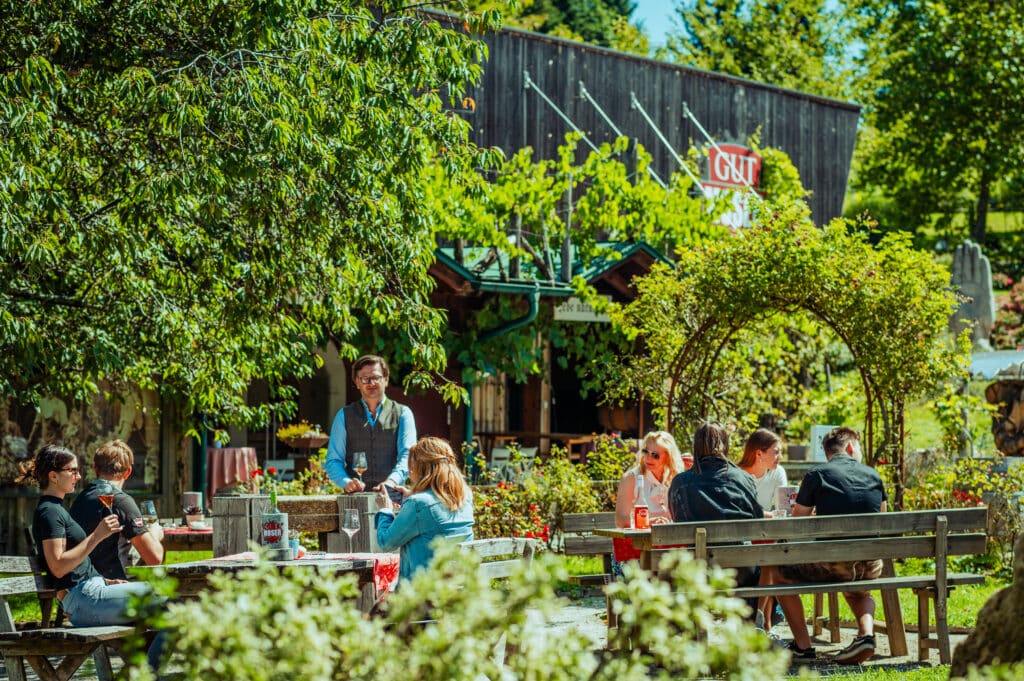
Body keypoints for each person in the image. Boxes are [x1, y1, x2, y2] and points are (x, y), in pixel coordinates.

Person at [17, 445, 165, 668]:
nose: (78, 476)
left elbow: (74, 565)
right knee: (174, 605)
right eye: (72, 471)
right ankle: (148, 675)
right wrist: (97, 535)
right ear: (53, 476)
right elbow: (58, 566)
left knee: (169, 610)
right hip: (85, 600)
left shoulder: (59, 508)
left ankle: (144, 671)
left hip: (90, 593)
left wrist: (107, 581)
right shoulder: (49, 512)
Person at [760, 426, 888, 664]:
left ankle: (803, 647)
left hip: (833, 565)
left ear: (828, 452)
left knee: (777, 572)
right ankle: (866, 636)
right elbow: (883, 519)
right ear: (850, 448)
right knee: (859, 586)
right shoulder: (873, 475)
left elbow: (798, 524)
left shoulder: (817, 474)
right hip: (870, 565)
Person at [668, 423, 763, 600]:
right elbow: (758, 520)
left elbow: (676, 518)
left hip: (697, 569)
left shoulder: (680, 482)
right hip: (742, 569)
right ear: (725, 445)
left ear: (696, 447)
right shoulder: (743, 478)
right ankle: (757, 616)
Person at [375, 437, 474, 582]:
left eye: (412, 466)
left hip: (423, 591)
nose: (410, 472)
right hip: (459, 587)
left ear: (421, 468)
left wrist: (385, 509)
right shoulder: (465, 496)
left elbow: (386, 542)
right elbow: (436, 507)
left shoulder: (418, 504)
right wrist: (412, 497)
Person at [70, 440, 164, 579]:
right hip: (112, 584)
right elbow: (154, 558)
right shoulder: (121, 501)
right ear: (128, 472)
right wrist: (155, 533)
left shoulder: (80, 499)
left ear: (95, 468)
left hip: (81, 581)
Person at [325, 354, 417, 493]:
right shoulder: (343, 416)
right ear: (357, 382)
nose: (371, 383)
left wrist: (391, 482)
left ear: (386, 380)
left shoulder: (403, 414)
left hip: (392, 496)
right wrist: (347, 482)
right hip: (355, 499)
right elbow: (333, 461)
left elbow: (408, 456)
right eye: (365, 378)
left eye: (376, 377)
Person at [614, 431, 687, 529]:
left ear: (668, 457)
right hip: (639, 537)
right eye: (645, 452)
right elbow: (620, 520)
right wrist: (646, 522)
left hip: (669, 536)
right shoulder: (631, 478)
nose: (648, 458)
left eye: (655, 455)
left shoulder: (676, 477)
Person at [738, 428, 788, 516]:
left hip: (766, 524)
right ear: (759, 454)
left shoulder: (777, 472)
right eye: (776, 452)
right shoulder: (736, 475)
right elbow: (739, 512)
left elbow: (784, 510)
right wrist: (769, 515)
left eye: (781, 452)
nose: (781, 457)